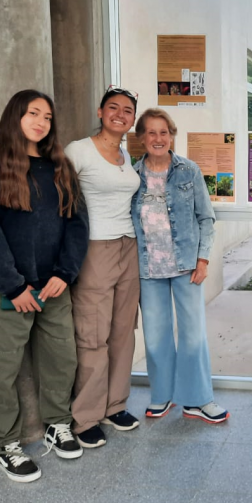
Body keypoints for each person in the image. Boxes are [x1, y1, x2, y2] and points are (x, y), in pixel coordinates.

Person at [0, 89, 89, 482]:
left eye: (48, 117)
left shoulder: (60, 167)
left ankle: (58, 424)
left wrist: (64, 274)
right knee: (2, 370)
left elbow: (77, 224)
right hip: (7, 290)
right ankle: (5, 443)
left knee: (62, 360)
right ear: (14, 117)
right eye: (33, 113)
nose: (41, 122)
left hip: (53, 287)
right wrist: (13, 286)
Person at [130, 109, 228, 423]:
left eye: (164, 132)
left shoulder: (189, 171)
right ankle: (163, 395)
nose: (158, 139)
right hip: (148, 269)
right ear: (142, 138)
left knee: (193, 334)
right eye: (151, 132)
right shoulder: (132, 176)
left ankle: (198, 400)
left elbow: (206, 219)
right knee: (156, 336)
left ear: (171, 135)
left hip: (186, 266)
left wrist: (202, 259)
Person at [64, 86, 142, 448]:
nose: (120, 114)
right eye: (114, 108)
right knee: (93, 333)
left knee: (123, 331)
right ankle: (86, 416)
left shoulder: (125, 154)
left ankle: (115, 405)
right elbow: (53, 197)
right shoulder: (79, 150)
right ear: (100, 112)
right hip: (94, 247)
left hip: (129, 247)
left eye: (128, 111)